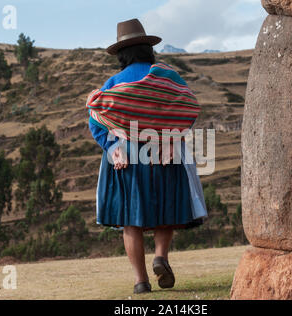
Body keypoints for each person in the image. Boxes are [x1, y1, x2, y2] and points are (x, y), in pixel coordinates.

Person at [87, 18, 207, 294]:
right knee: (166, 212)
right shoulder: (168, 77)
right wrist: (172, 135)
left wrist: (110, 145)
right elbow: (188, 108)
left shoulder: (113, 83)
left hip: (126, 157)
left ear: (122, 54)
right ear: (148, 50)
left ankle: (141, 282)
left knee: (131, 220)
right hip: (165, 151)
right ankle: (160, 257)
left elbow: (95, 117)